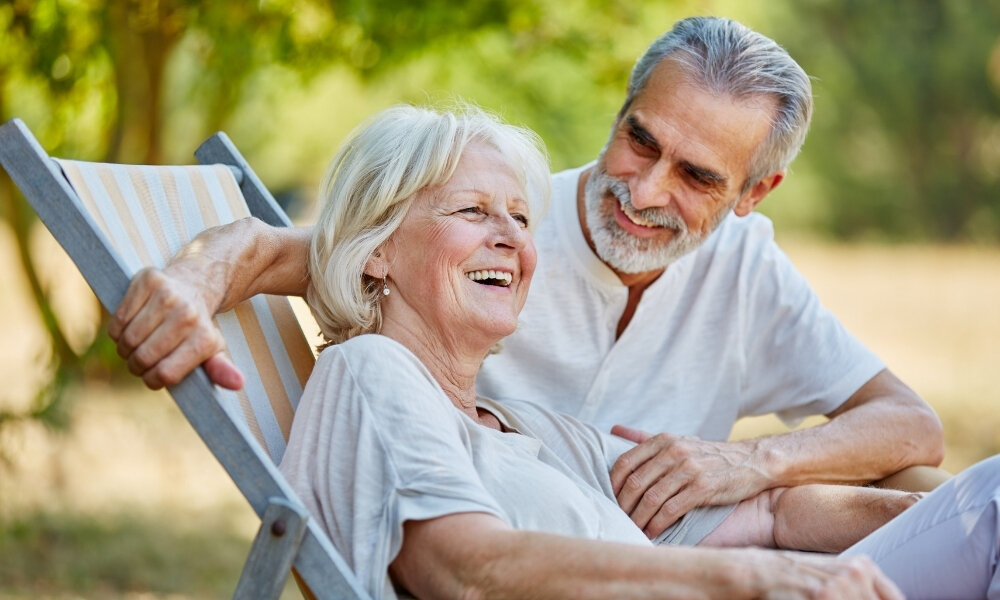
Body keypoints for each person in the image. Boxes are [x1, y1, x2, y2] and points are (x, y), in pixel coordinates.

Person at [108, 17, 947, 538]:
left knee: (921, 491)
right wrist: (189, 280)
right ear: (621, 111)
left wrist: (753, 464)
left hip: (690, 545)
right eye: (641, 139)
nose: (644, 192)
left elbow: (909, 424)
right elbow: (270, 248)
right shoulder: (497, 233)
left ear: (753, 194)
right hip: (550, 558)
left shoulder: (745, 270)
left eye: (696, 177)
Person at [278, 102, 999, 600]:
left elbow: (772, 515)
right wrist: (757, 580)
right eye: (472, 211)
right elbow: (470, 574)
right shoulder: (371, 373)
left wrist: (920, 514)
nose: (512, 238)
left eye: (522, 218)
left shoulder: (521, 428)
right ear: (376, 252)